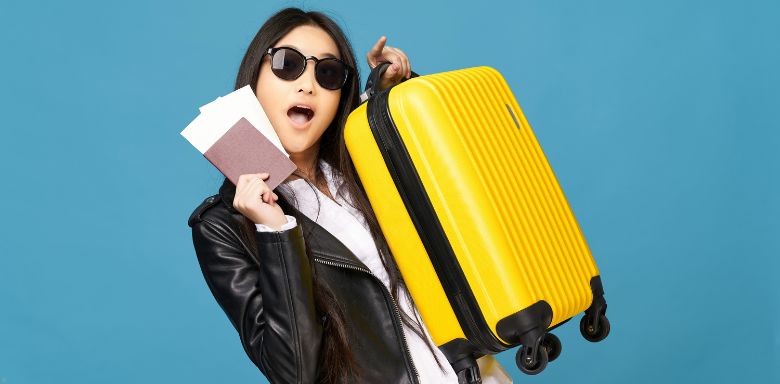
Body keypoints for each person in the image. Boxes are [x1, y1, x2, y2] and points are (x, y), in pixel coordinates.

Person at [188, 7, 461, 384]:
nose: (307, 85)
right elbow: (296, 371)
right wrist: (277, 234)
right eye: (287, 64)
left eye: (328, 72)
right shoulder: (221, 228)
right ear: (254, 79)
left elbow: (452, 204)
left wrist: (391, 99)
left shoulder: (366, 170)